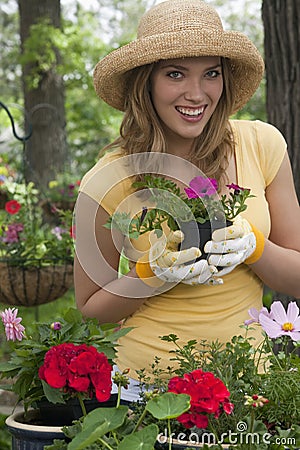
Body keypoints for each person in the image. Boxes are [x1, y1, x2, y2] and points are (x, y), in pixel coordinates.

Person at [74, 0, 300, 402]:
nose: (197, 94)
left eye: (211, 73)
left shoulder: (262, 145)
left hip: (250, 384)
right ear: (146, 82)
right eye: (175, 74)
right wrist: (153, 275)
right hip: (145, 391)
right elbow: (90, 311)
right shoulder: (109, 178)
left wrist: (254, 246)